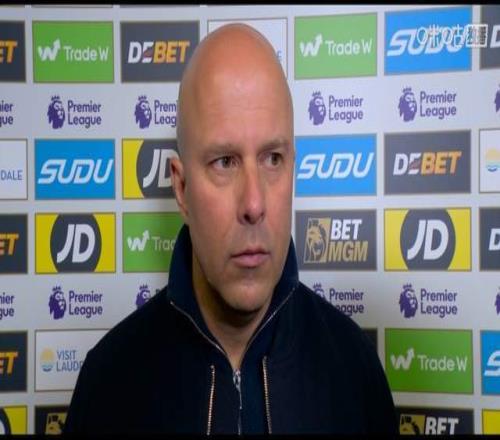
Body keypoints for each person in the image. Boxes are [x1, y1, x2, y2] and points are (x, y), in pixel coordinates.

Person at [64, 24, 397, 434]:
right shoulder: (109, 383)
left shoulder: (355, 372)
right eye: (224, 162)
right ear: (181, 188)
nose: (254, 204)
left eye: (272, 159)